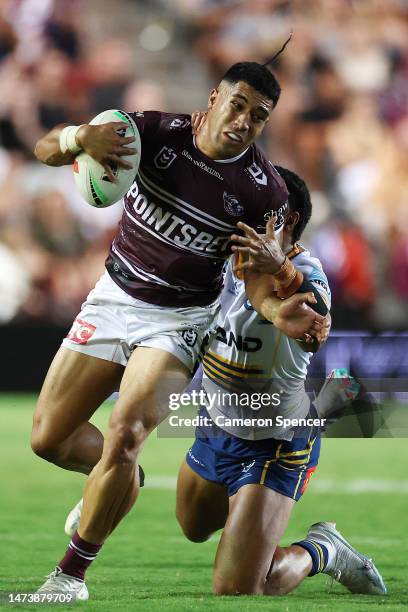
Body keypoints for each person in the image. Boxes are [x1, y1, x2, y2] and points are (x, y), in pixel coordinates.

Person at [32, 61, 293, 599]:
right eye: (238, 104)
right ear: (214, 97)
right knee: (48, 438)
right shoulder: (149, 132)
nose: (244, 120)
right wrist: (79, 137)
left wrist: (276, 268)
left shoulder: (263, 192)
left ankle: (70, 575)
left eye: (259, 115)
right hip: (112, 296)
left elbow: (261, 288)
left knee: (126, 434)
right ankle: (121, 478)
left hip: (180, 322)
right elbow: (45, 150)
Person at [175, 166, 386, 597]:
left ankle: (322, 549)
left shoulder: (306, 268)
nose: (240, 210)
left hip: (275, 442)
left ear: (285, 220)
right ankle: (249, 527)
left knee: (236, 588)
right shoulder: (221, 258)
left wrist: (283, 273)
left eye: (257, 206)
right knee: (193, 526)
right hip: (216, 425)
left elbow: (316, 310)